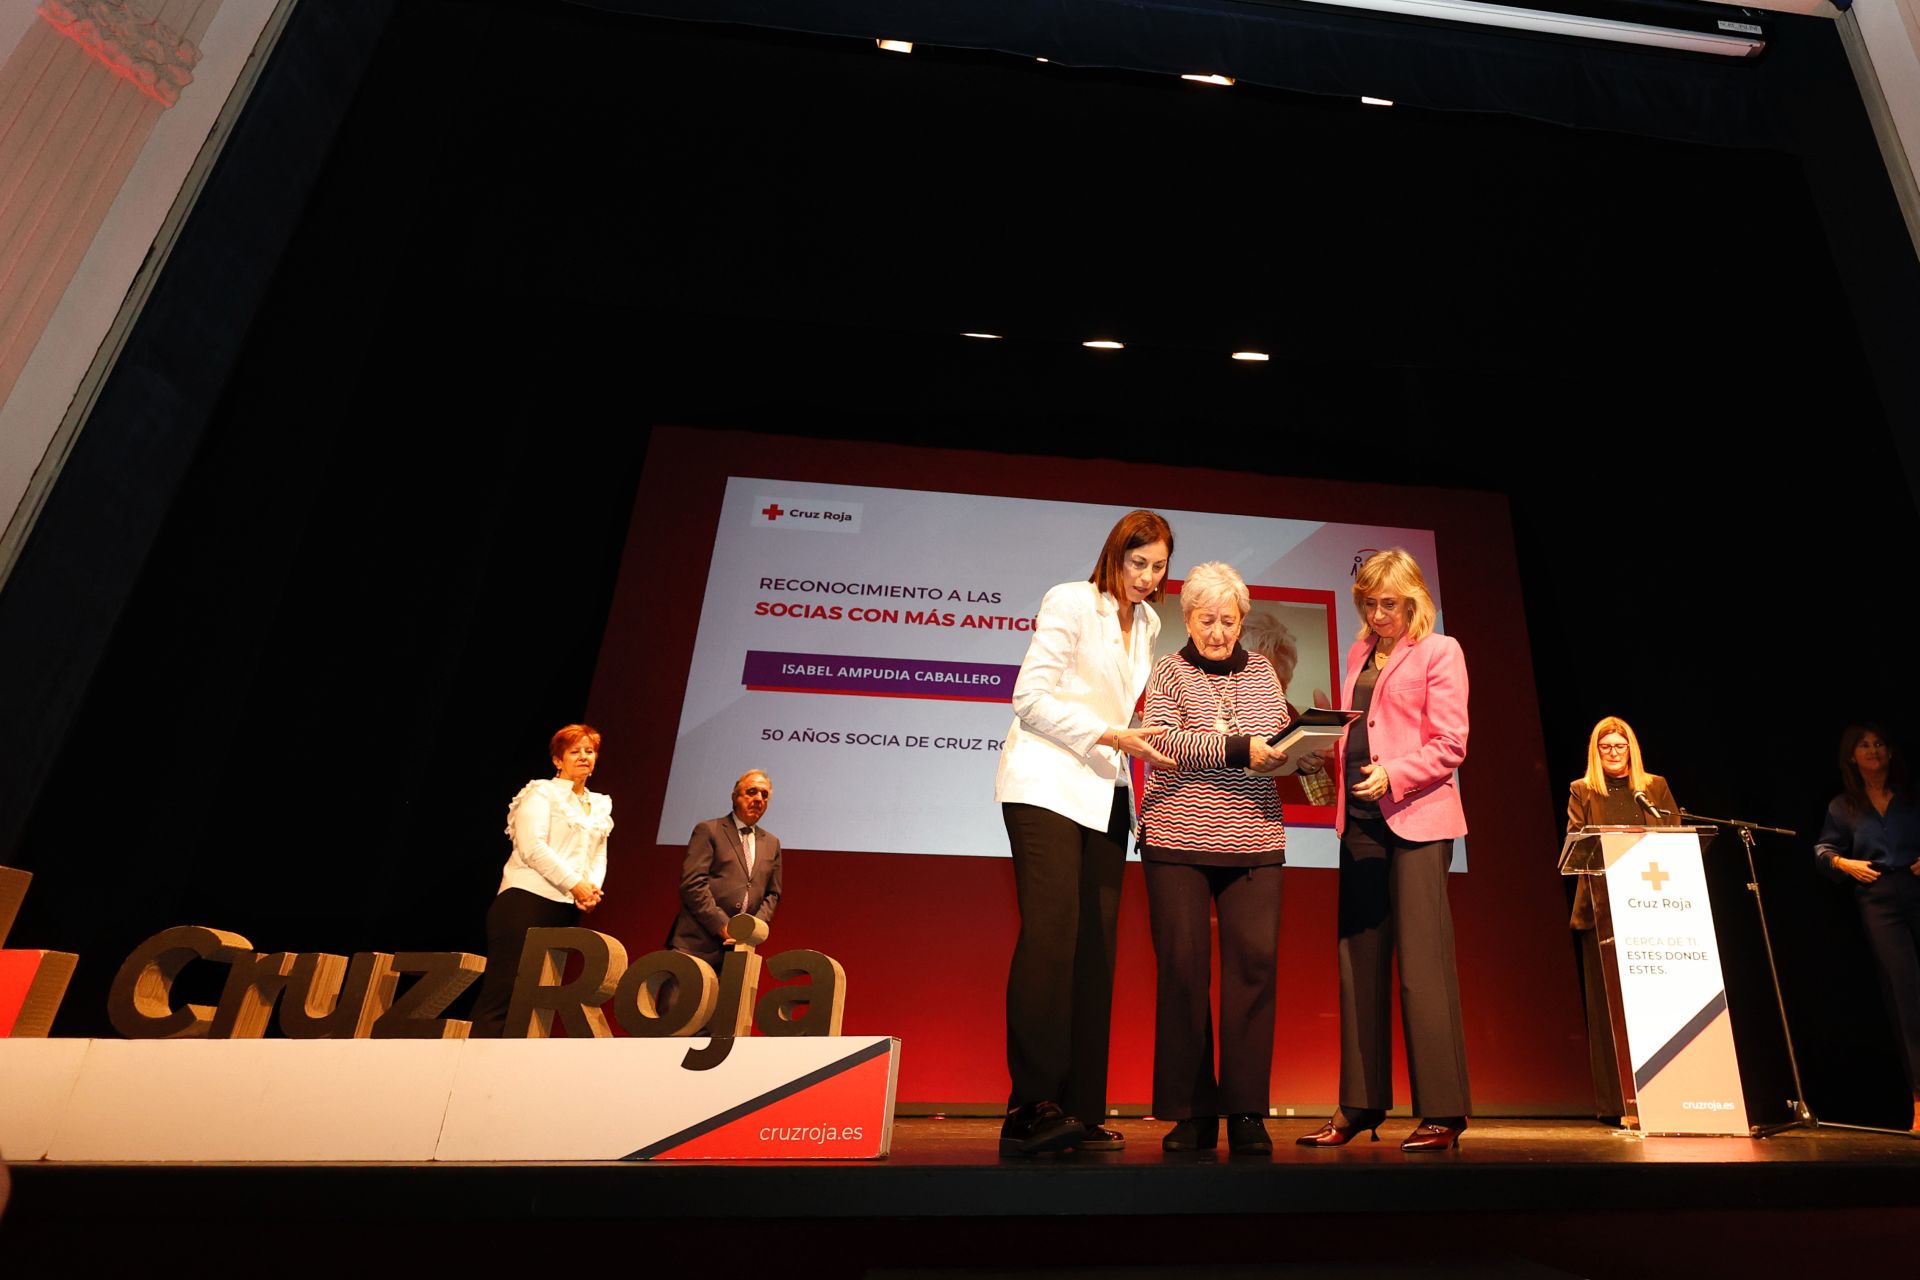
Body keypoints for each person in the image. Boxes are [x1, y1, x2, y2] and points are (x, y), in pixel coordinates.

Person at [994, 509, 1177, 1155]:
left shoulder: (1151, 622)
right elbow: (1029, 698)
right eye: (1137, 563)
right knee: (1051, 935)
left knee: (1096, 948)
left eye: (1157, 567)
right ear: (1115, 556)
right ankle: (1030, 1105)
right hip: (1045, 784)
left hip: (1107, 792)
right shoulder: (1071, 600)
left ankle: (1080, 1107)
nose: (1147, 578)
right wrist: (1109, 735)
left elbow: (1129, 710)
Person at [1297, 548, 1472, 1153]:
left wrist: (1394, 773)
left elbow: (1451, 743)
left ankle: (1444, 1113)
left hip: (1418, 821)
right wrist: (1323, 752)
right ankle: (1360, 1104)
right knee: (1358, 963)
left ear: (1414, 599)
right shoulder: (1359, 653)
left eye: (1388, 604)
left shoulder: (1440, 652)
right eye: (1369, 605)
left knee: (1422, 966)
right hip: (1362, 822)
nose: (1377, 615)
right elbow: (1363, 729)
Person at [1138, 562, 1293, 1154]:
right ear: (1187, 618)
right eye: (1207, 620)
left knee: (1254, 973)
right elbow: (1161, 744)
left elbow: (1276, 735)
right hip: (1176, 838)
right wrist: (1235, 747)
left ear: (1242, 621)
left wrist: (1296, 751)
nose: (1219, 631)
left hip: (1254, 838)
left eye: (1229, 620)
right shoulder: (1169, 671)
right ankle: (1192, 1112)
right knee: (1182, 974)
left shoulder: (1262, 674)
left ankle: (1247, 1111)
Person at [1565, 716, 1680, 1123]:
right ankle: (1619, 1105)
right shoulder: (1582, 790)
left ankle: (1670, 1096)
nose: (1614, 754)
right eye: (1605, 747)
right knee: (1609, 1009)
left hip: (1651, 909)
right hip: (1603, 911)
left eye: (1620, 746)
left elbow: (1673, 836)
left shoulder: (1653, 788)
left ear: (1632, 748)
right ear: (1595, 753)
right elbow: (1575, 842)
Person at [469, 724, 612, 1036]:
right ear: (558, 760)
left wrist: (590, 890)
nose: (584, 757)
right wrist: (575, 882)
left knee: (538, 998)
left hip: (565, 907)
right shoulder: (540, 793)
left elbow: (597, 853)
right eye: (575, 751)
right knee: (505, 991)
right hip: (525, 901)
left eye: (589, 751)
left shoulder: (599, 804)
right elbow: (532, 847)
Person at [1814, 723, 1920, 1132]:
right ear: (1851, 758)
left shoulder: (1911, 797)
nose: (1873, 750)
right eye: (1864, 745)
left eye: (1879, 744)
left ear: (1891, 753)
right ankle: (1917, 1103)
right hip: (1879, 899)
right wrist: (1844, 863)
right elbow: (1823, 850)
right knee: (1905, 994)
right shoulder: (1845, 806)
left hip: (1916, 886)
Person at [667, 770, 783, 975]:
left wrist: (751, 931)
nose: (758, 799)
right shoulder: (709, 830)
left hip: (738, 953)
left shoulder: (772, 843)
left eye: (764, 795)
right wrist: (722, 926)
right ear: (735, 796)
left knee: (726, 1008)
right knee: (679, 1007)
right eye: (752, 792)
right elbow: (692, 885)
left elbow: (772, 894)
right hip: (696, 945)